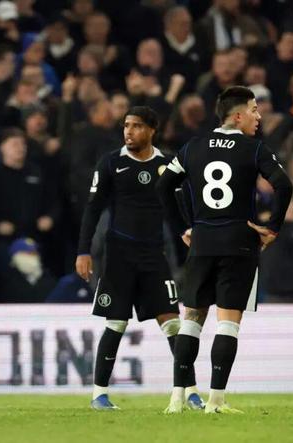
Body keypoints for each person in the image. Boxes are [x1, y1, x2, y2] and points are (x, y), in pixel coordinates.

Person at [156, 86, 293, 414]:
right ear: (238, 116)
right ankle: (215, 401)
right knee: (228, 322)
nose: (259, 116)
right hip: (239, 242)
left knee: (192, 319)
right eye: (254, 110)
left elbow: (163, 185)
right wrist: (272, 228)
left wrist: (185, 227)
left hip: (202, 241)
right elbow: (284, 185)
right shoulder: (253, 148)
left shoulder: (193, 147)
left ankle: (176, 398)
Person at [75, 106, 202, 411]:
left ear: (151, 130)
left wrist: (187, 232)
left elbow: (177, 208)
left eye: (136, 126)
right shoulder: (111, 162)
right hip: (119, 255)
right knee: (116, 322)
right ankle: (99, 395)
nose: (129, 132)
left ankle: (191, 392)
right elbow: (93, 208)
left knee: (173, 324)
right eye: (126, 126)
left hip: (154, 256)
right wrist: (83, 251)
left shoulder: (167, 164)